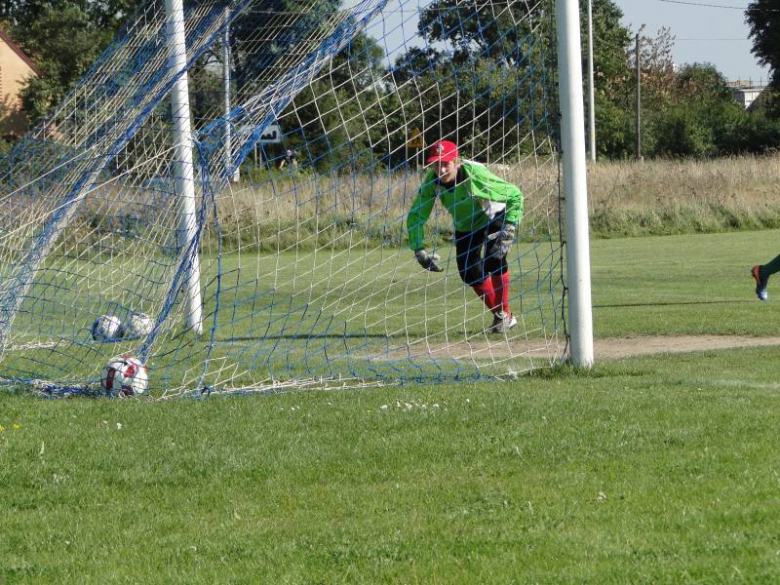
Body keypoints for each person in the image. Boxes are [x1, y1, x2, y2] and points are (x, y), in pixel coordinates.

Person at [407, 140, 524, 333]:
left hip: (493, 215)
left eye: (446, 163)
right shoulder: (431, 181)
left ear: (457, 162)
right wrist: (419, 249)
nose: (441, 169)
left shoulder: (475, 175)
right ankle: (505, 317)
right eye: (436, 164)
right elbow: (417, 215)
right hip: (466, 225)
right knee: (468, 272)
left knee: (494, 259)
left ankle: (504, 316)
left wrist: (510, 226)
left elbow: (515, 195)